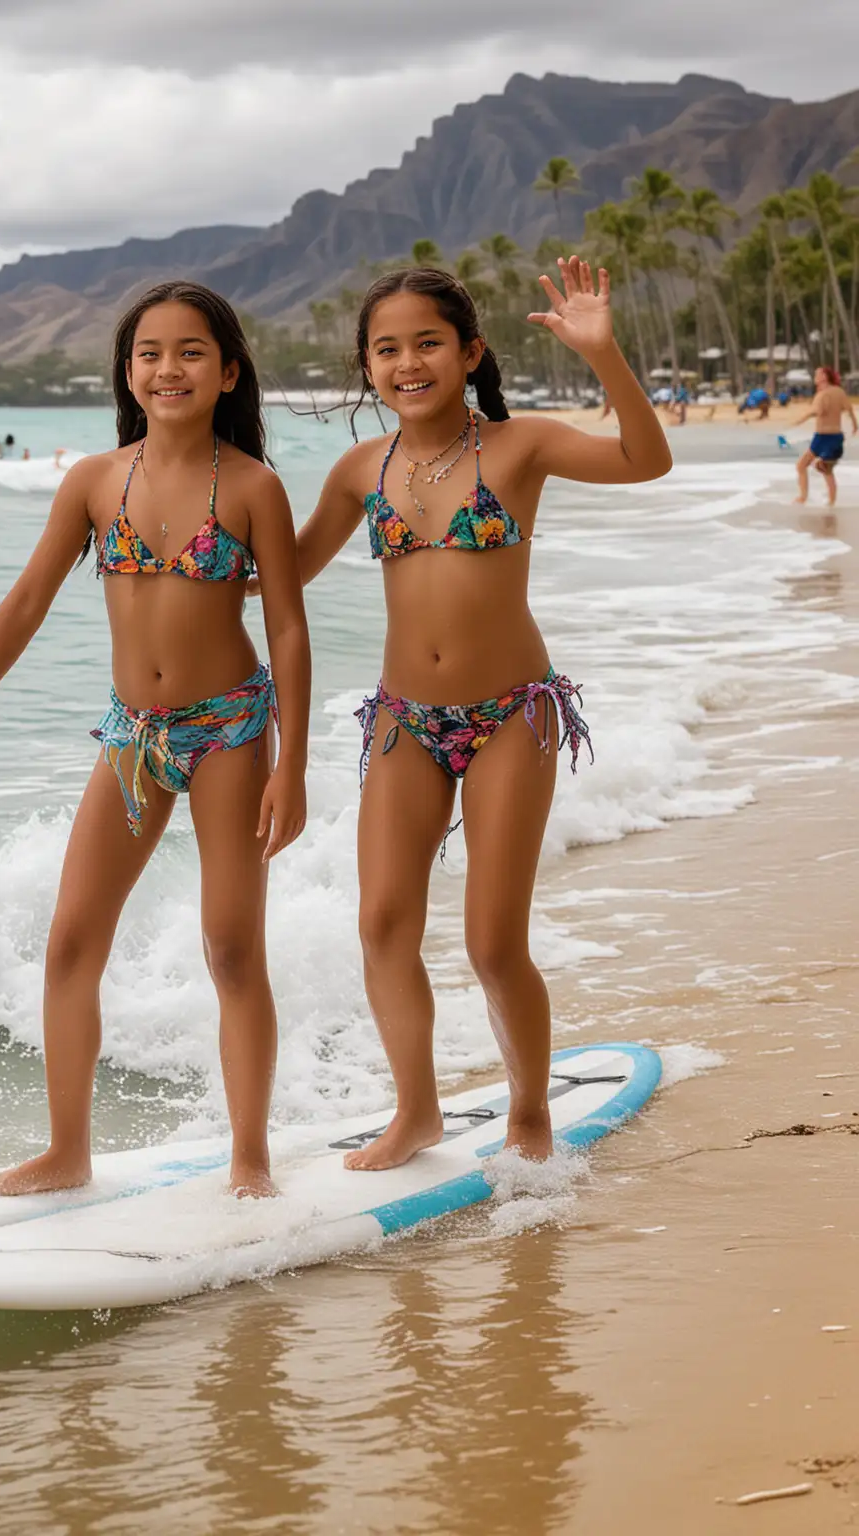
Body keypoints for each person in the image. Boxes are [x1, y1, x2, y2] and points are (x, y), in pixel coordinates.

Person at [0, 280, 311, 1198]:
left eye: (188, 352)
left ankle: (250, 1158)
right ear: (127, 371)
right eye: (149, 353)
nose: (166, 368)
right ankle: (68, 1151)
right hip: (133, 734)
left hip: (228, 731)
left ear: (227, 371)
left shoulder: (255, 487)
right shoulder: (95, 480)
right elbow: (27, 602)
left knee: (230, 947)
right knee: (70, 943)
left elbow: (289, 629)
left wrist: (290, 764)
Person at [287, 258, 671, 1169]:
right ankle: (414, 1113)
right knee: (382, 922)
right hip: (403, 723)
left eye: (427, 343)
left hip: (511, 716)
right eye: (386, 349)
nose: (407, 362)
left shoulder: (519, 447)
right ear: (366, 365)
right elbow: (283, 572)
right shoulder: (357, 470)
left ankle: (530, 1110)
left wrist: (603, 353)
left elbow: (644, 460)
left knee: (494, 943)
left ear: (469, 354)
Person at [793, 364, 857, 506]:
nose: (815, 377)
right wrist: (855, 426)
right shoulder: (839, 392)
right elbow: (849, 409)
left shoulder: (822, 394)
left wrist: (798, 421)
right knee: (826, 470)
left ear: (824, 377)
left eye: (817, 374)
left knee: (803, 466)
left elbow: (817, 411)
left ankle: (803, 498)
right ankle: (831, 502)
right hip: (836, 437)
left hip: (822, 437)